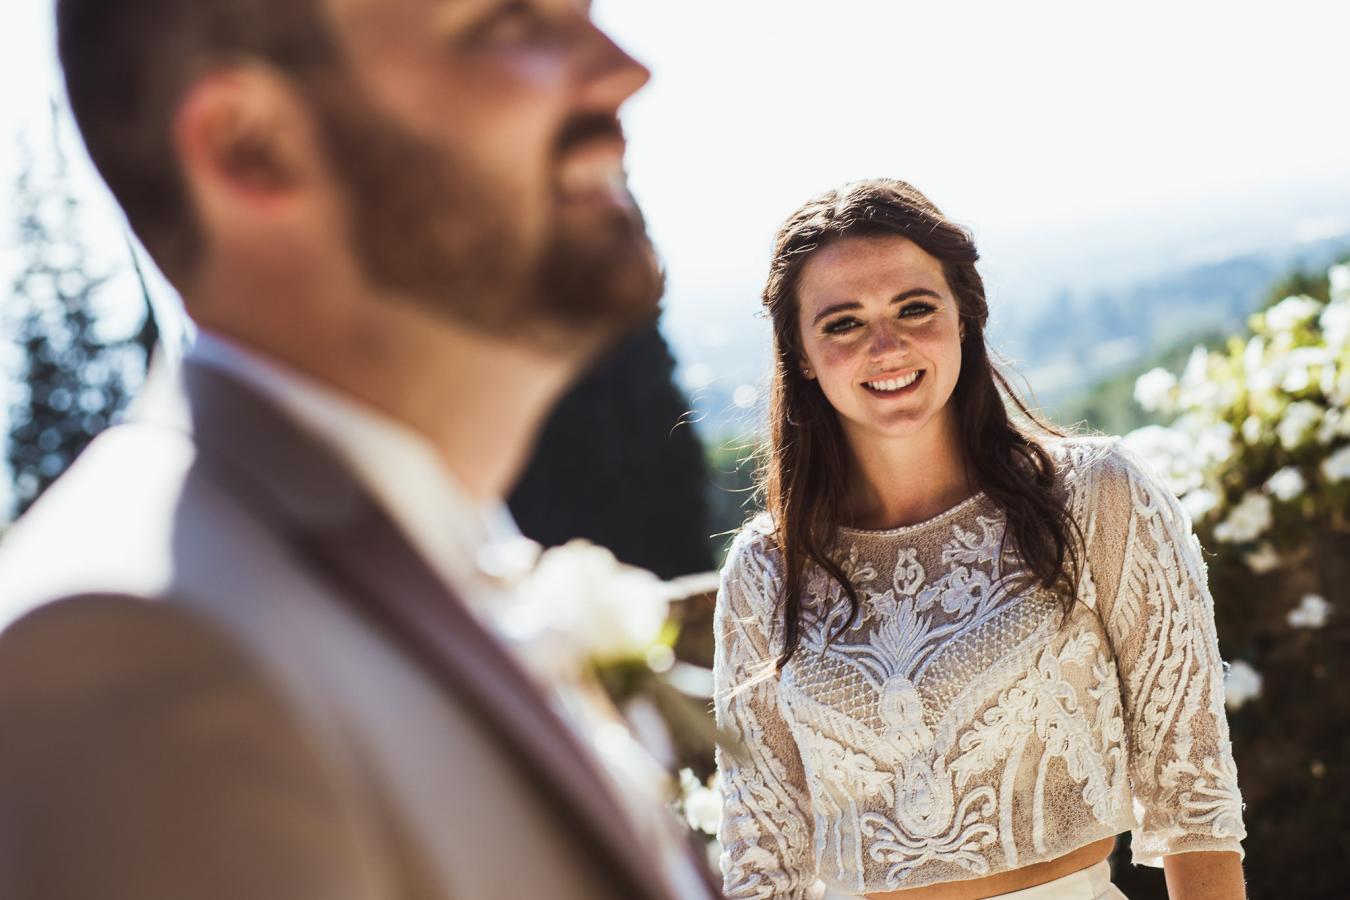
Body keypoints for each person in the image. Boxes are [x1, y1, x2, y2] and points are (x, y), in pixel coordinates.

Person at [0, 2, 718, 899]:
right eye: (510, 22)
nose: (623, 70)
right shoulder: (144, 660)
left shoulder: (436, 548)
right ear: (252, 147)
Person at [712, 180, 1247, 900]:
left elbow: (1196, 802)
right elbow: (761, 863)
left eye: (915, 307)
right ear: (801, 353)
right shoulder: (765, 571)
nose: (886, 345)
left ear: (963, 317)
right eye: (843, 323)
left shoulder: (1097, 496)